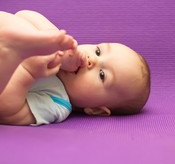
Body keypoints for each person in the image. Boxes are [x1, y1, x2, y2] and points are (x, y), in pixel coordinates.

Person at [0, 10, 150, 125]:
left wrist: (29, 70)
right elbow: (24, 14)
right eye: (98, 51)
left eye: (102, 75)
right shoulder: (60, 51)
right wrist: (53, 39)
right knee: (20, 24)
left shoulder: (58, 102)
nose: (92, 60)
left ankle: (12, 50)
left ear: (96, 110)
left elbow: (8, 111)